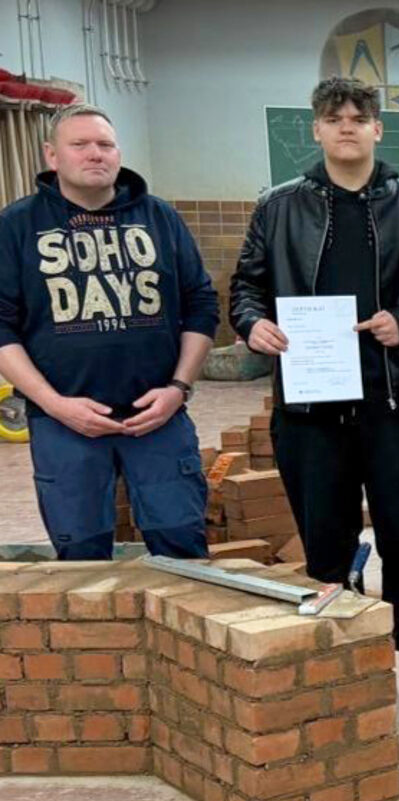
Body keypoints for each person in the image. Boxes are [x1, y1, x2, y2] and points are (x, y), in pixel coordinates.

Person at [229, 78, 399, 710]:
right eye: (335, 118)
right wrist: (252, 324)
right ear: (318, 129)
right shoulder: (277, 207)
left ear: (379, 129)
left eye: (360, 117)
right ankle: (338, 657)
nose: (348, 126)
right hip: (310, 408)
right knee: (324, 542)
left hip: (396, 401)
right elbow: (246, 285)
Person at [0, 104, 217, 561]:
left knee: (181, 537)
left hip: (156, 417)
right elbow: (2, 327)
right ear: (51, 156)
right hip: (64, 422)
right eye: (79, 145)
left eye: (105, 145)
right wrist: (53, 403)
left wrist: (178, 388)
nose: (94, 154)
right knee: (80, 551)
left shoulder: (161, 219)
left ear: (118, 153)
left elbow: (200, 306)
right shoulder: (16, 226)